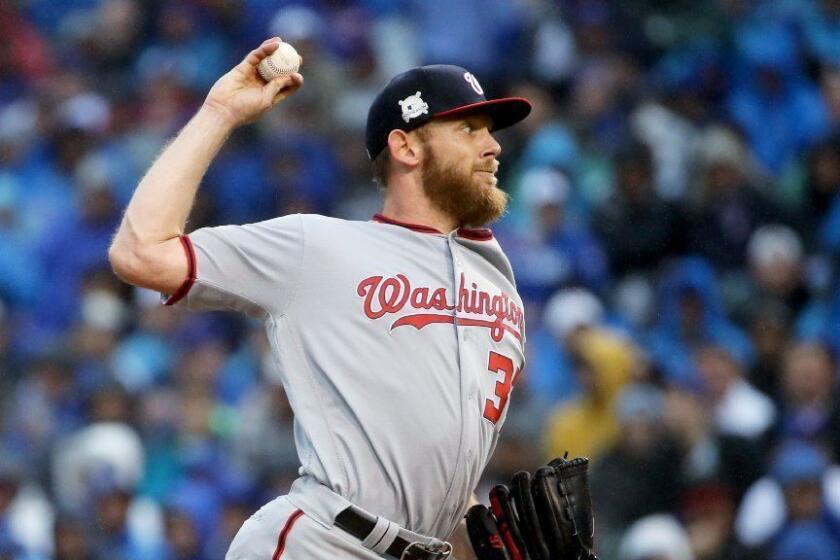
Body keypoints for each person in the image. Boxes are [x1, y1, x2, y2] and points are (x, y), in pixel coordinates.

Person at [108, 38, 531, 560]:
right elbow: (140, 252)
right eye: (468, 129)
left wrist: (483, 532)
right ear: (406, 147)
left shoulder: (497, 281)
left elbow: (433, 465)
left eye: (490, 132)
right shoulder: (318, 248)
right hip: (324, 542)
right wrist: (220, 113)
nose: (493, 147)